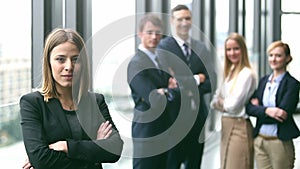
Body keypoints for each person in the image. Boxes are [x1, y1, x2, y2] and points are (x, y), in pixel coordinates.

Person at [20, 28, 123, 169]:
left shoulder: (96, 102)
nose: (69, 67)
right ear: (48, 63)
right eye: (60, 59)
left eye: (76, 59)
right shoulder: (32, 103)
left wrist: (66, 146)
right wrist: (94, 151)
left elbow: (115, 150)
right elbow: (40, 159)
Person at [157, 4, 212, 169]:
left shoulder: (201, 48)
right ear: (172, 21)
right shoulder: (164, 47)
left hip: (198, 118)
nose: (184, 22)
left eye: (187, 18)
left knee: (194, 163)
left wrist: (183, 81)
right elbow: (167, 82)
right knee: (172, 163)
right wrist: (197, 79)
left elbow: (212, 81)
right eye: (180, 19)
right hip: (173, 118)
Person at [127, 14, 178, 169]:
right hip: (147, 132)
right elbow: (154, 99)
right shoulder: (136, 64)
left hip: (164, 128)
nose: (154, 36)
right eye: (149, 32)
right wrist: (168, 90)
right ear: (140, 33)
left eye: (157, 32)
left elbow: (174, 88)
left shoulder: (161, 60)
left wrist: (166, 91)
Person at [246, 41, 300, 169]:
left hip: (279, 142)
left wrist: (259, 109)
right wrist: (269, 111)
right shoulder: (263, 81)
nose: (273, 59)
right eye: (271, 55)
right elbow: (249, 108)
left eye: (278, 56)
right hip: (260, 140)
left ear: (287, 58)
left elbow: (283, 114)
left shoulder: (293, 85)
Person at [210, 32, 256, 169]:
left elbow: (233, 106)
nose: (232, 53)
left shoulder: (247, 74)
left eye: (236, 48)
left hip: (239, 127)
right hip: (226, 126)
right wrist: (223, 102)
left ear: (243, 50)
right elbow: (214, 101)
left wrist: (222, 102)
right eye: (228, 49)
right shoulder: (230, 72)